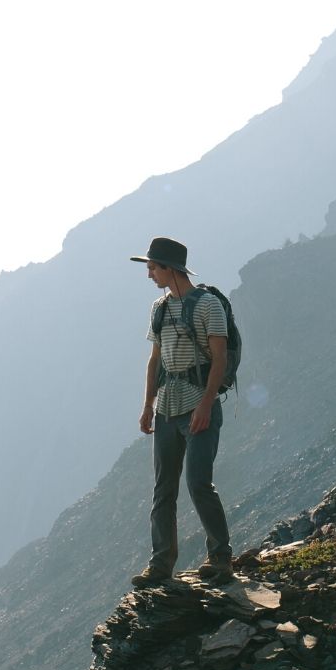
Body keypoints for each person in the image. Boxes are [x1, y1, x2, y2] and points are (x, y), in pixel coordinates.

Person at [128, 236, 232, 586]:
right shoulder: (159, 309)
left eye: (153, 267)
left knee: (198, 483)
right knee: (163, 490)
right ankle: (161, 565)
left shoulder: (208, 306)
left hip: (198, 406)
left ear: (170, 269)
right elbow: (155, 360)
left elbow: (220, 358)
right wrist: (147, 405)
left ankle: (220, 559)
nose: (149, 275)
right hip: (167, 410)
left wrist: (206, 404)